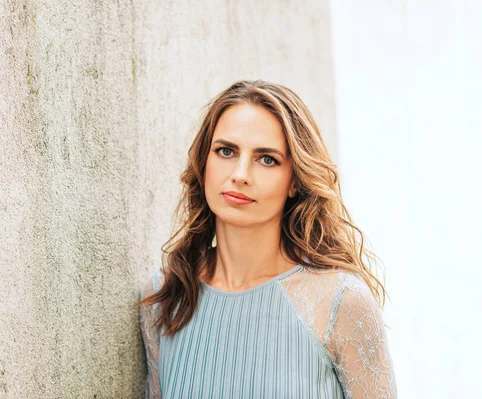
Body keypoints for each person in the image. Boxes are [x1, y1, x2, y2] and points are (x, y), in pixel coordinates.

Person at [138, 80, 397, 398]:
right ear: (204, 162)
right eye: (226, 151)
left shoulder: (341, 302)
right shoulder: (166, 295)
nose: (241, 173)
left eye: (267, 159)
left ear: (294, 181)